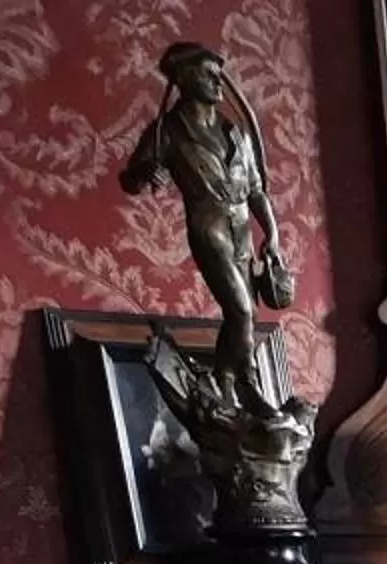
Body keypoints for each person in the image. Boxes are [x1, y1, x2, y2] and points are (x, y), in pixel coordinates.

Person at [122, 44, 289, 412]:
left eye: (219, 74)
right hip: (208, 226)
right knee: (240, 310)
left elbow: (256, 190)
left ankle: (224, 381)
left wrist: (272, 235)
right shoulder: (168, 131)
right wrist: (145, 172)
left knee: (244, 315)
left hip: (241, 227)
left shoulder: (236, 133)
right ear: (184, 78)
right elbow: (130, 180)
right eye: (208, 74)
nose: (218, 82)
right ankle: (248, 385)